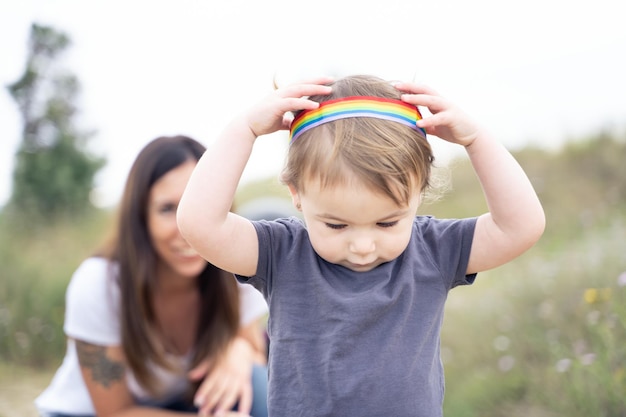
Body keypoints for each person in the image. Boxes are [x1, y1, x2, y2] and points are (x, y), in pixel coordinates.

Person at [176, 75, 546, 417]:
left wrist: (477, 140)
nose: (364, 246)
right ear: (297, 195)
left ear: (418, 195)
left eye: (388, 222)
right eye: (336, 225)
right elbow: (200, 224)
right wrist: (244, 129)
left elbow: (520, 226)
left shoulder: (433, 251)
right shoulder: (282, 254)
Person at [35, 135, 269, 417]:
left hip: (176, 405)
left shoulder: (233, 267)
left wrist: (238, 350)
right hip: (88, 414)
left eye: (200, 204)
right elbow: (114, 412)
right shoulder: (99, 284)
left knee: (255, 379)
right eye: (167, 209)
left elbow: (256, 350)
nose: (186, 228)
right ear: (141, 218)